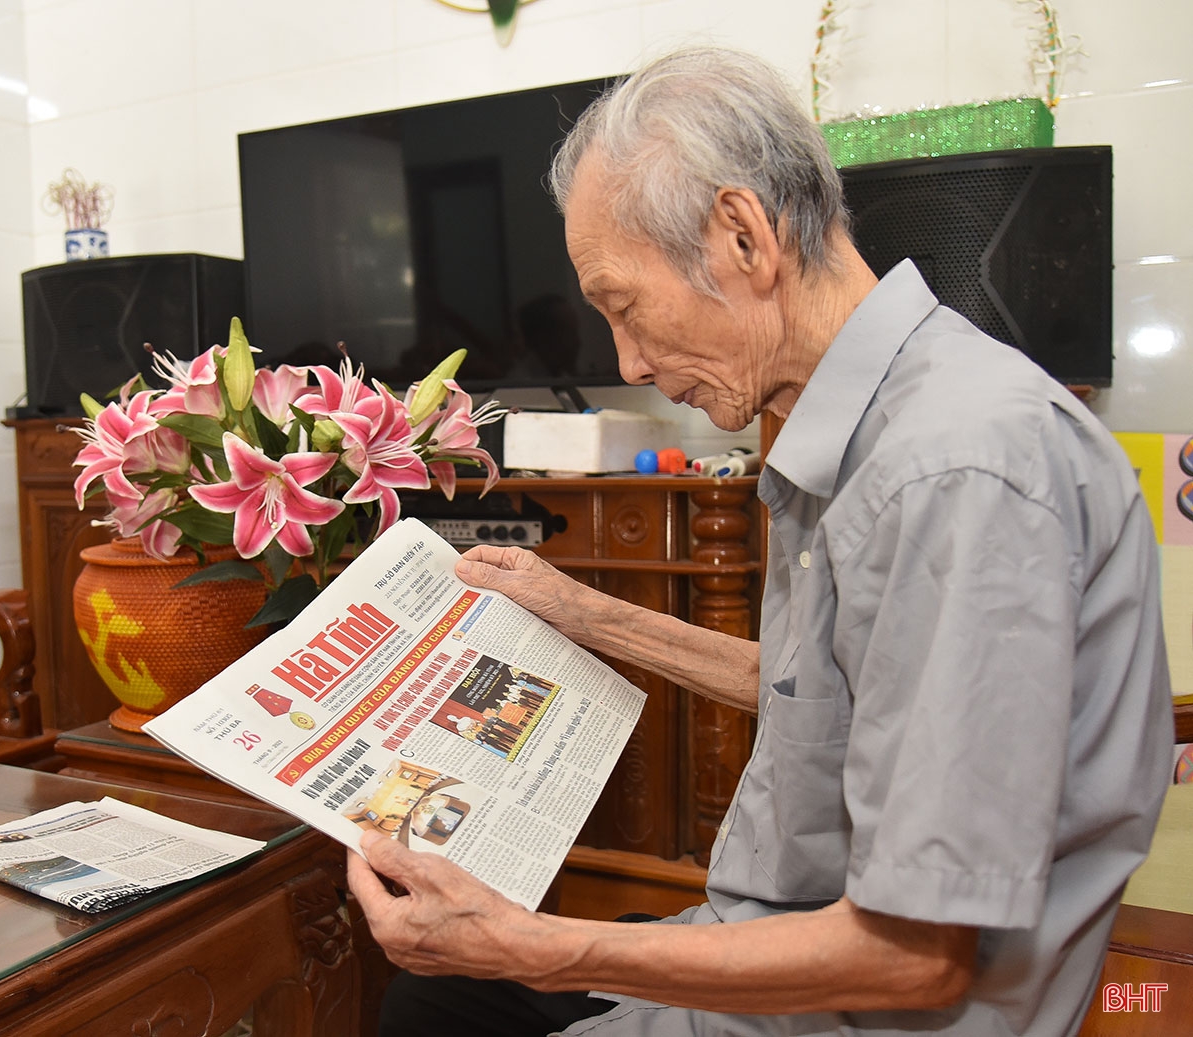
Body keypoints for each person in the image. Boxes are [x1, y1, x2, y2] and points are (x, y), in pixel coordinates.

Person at [346, 45, 1174, 1037]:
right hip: (776, 930)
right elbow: (827, 685)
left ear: (743, 236)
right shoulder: (872, 423)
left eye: (623, 306)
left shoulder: (954, 467)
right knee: (433, 998)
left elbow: (914, 954)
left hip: (854, 1002)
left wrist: (540, 942)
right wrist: (576, 607)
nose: (630, 360)